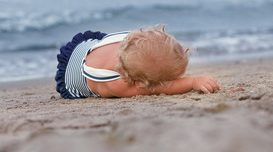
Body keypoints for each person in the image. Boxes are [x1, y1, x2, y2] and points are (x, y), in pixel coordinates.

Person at [55, 25, 220, 99]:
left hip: (85, 47)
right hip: (71, 77)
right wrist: (192, 81)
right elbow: (159, 89)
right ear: (142, 82)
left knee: (143, 52)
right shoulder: (117, 84)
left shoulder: (129, 40)